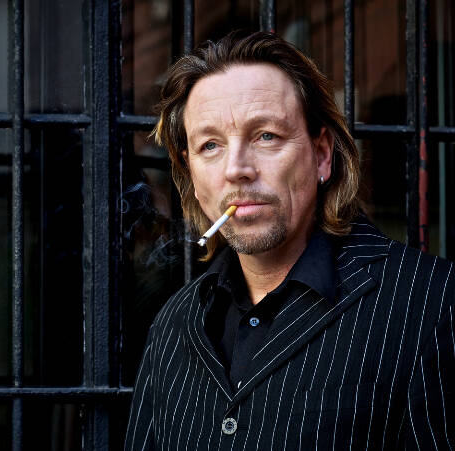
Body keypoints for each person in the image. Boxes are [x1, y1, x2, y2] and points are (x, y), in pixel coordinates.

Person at [125, 31, 454, 450]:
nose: (236, 169)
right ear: (190, 173)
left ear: (322, 155)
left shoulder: (431, 303)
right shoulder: (174, 324)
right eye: (210, 145)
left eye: (266, 136)